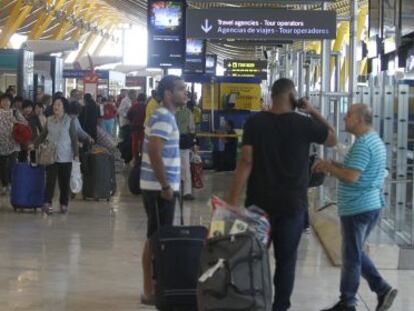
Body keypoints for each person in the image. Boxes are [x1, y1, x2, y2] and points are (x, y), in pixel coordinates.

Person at [227, 78, 337, 311]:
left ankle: (255, 303)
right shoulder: (304, 124)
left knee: (254, 259)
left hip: (258, 206)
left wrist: (231, 203)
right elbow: (332, 136)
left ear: (272, 95)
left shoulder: (254, 122)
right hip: (292, 206)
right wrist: (313, 110)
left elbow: (245, 162)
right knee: (286, 262)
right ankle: (280, 307)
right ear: (292, 96)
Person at [314, 104, 397, 311]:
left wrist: (329, 169)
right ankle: (381, 289)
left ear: (360, 120)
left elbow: (352, 177)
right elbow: (354, 169)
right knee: (355, 252)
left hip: (358, 208)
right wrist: (332, 163)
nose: (344, 117)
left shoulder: (364, 145)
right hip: (368, 205)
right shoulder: (372, 140)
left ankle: (349, 302)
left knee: (351, 256)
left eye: (349, 115)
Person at [139, 75, 187, 305]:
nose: (185, 93)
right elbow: (155, 151)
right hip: (159, 189)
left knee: (156, 238)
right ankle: (149, 291)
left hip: (160, 187)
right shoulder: (163, 117)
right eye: (181, 89)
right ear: (168, 93)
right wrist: (166, 185)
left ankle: (155, 287)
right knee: (156, 239)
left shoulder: (165, 116)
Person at [33, 97, 79, 215]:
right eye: (54, 104)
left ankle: (64, 204)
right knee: (50, 181)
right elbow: (43, 135)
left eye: (58, 105)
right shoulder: (49, 120)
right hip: (51, 155)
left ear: (63, 107)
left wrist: (76, 154)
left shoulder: (69, 120)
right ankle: (47, 204)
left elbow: (74, 138)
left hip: (66, 155)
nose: (55, 107)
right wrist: (34, 145)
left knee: (64, 182)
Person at [175, 103, 196, 200]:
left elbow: (191, 128)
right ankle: (184, 192)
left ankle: (181, 191)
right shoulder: (188, 113)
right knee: (185, 167)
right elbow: (192, 129)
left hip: (178, 143)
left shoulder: (175, 112)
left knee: (181, 168)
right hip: (181, 143)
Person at [0, 95, 18, 195]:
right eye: (3, 101)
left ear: (10, 102)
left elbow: (24, 122)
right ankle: (4, 185)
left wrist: (16, 122)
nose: (5, 102)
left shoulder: (15, 112)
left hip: (13, 142)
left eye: (7, 101)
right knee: (2, 166)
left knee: (12, 165)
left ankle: (11, 183)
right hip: (1, 143)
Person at [127, 93, 146, 160]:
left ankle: (135, 158)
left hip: (134, 127)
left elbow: (128, 115)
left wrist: (132, 121)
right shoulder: (146, 106)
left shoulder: (134, 106)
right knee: (143, 143)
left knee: (134, 143)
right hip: (143, 127)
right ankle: (142, 157)